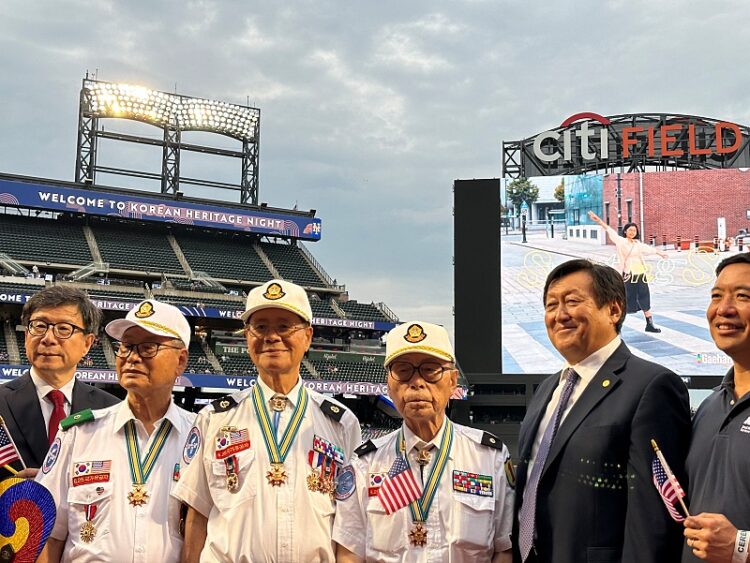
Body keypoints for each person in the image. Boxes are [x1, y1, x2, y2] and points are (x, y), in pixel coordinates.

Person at [513, 258, 691, 563]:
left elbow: (653, 518)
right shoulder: (547, 390)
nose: (559, 314)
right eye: (551, 304)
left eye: (572, 301)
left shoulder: (651, 386)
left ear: (614, 310)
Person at [173, 279, 362, 562]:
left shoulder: (341, 422)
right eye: (260, 327)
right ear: (248, 337)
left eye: (284, 326)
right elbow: (197, 514)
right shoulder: (213, 418)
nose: (271, 337)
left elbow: (351, 525)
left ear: (307, 336)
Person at [334, 321, 514, 563]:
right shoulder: (365, 463)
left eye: (430, 370)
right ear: (389, 383)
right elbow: (349, 552)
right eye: (403, 370)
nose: (417, 382)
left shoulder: (490, 457)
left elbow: (503, 549)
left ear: (452, 381)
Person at [36, 299, 196, 563]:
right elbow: (49, 534)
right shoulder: (78, 433)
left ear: (180, 361)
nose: (132, 357)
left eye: (148, 348)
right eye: (126, 347)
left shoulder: (200, 436)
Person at [0, 286, 119, 478]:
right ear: (26, 335)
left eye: (64, 329)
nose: (48, 338)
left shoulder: (112, 411)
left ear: (87, 344)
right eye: (39, 326)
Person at [683, 253, 750, 563]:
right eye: (716, 296)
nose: (724, 309)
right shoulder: (710, 406)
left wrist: (741, 546)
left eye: (743, 296)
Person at [588, 210, 668, 332]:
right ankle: (614, 325)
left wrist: (660, 253)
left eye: (634, 231)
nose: (632, 232)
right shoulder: (621, 241)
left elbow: (648, 249)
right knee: (625, 299)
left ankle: (649, 324)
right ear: (625, 231)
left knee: (644, 297)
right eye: (630, 230)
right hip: (628, 274)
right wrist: (599, 221)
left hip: (640, 274)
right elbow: (610, 230)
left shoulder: (637, 244)